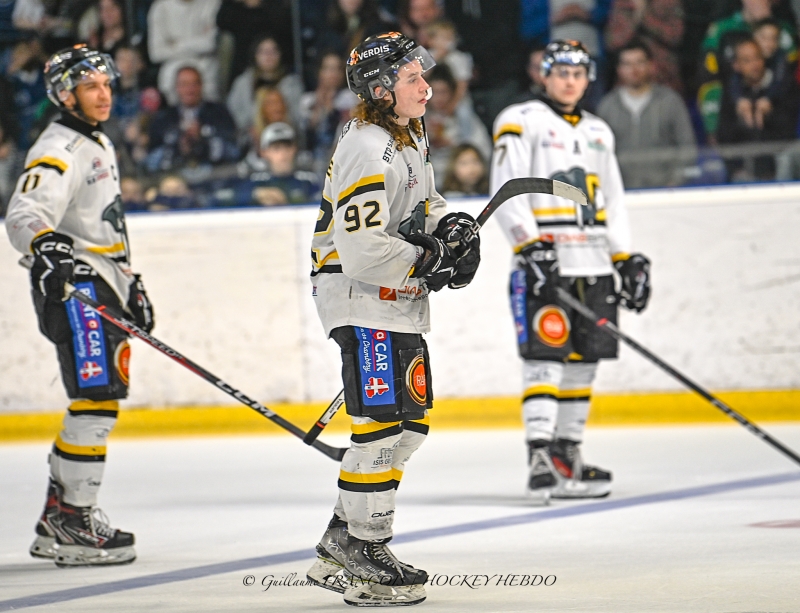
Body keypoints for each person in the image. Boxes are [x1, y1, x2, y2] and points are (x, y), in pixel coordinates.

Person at [304, 32, 480, 607]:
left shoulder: (410, 134)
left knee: (409, 426)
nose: (426, 86)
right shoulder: (367, 145)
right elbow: (359, 252)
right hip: (359, 294)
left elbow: (422, 203)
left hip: (391, 295)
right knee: (381, 426)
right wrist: (428, 260)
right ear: (381, 90)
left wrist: (447, 227)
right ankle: (365, 548)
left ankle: (340, 540)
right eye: (412, 79)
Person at [5, 45, 155, 567]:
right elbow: (24, 212)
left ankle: (61, 516)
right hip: (77, 289)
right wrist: (45, 245)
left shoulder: (95, 141)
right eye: (91, 86)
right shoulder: (59, 147)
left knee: (98, 398)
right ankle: (73, 519)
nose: (104, 94)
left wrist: (129, 282)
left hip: (100, 286)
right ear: (65, 95)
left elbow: (99, 227)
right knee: (95, 400)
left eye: (107, 85)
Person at [490, 40, 651, 503]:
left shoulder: (600, 130)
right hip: (548, 261)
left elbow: (613, 199)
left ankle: (567, 453)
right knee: (546, 357)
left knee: (586, 362)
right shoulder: (520, 120)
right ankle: (539, 454)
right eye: (560, 71)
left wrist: (625, 257)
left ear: (589, 78)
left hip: (595, 262)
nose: (569, 80)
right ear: (544, 74)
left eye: (578, 73)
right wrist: (530, 245)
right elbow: (508, 186)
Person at [596, 40, 697, 188]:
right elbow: (599, 153)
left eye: (640, 62)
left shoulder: (670, 101)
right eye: (627, 64)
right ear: (619, 69)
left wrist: (675, 182)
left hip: (666, 192)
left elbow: (687, 147)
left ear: (651, 65)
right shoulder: (607, 106)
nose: (634, 69)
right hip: (622, 193)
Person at [145, 65, 239, 172]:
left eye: (194, 84)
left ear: (201, 86)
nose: (190, 89)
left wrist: (203, 140)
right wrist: (177, 145)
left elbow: (234, 152)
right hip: (173, 179)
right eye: (184, 84)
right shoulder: (164, 118)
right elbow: (151, 161)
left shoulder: (219, 113)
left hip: (214, 178)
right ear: (176, 87)